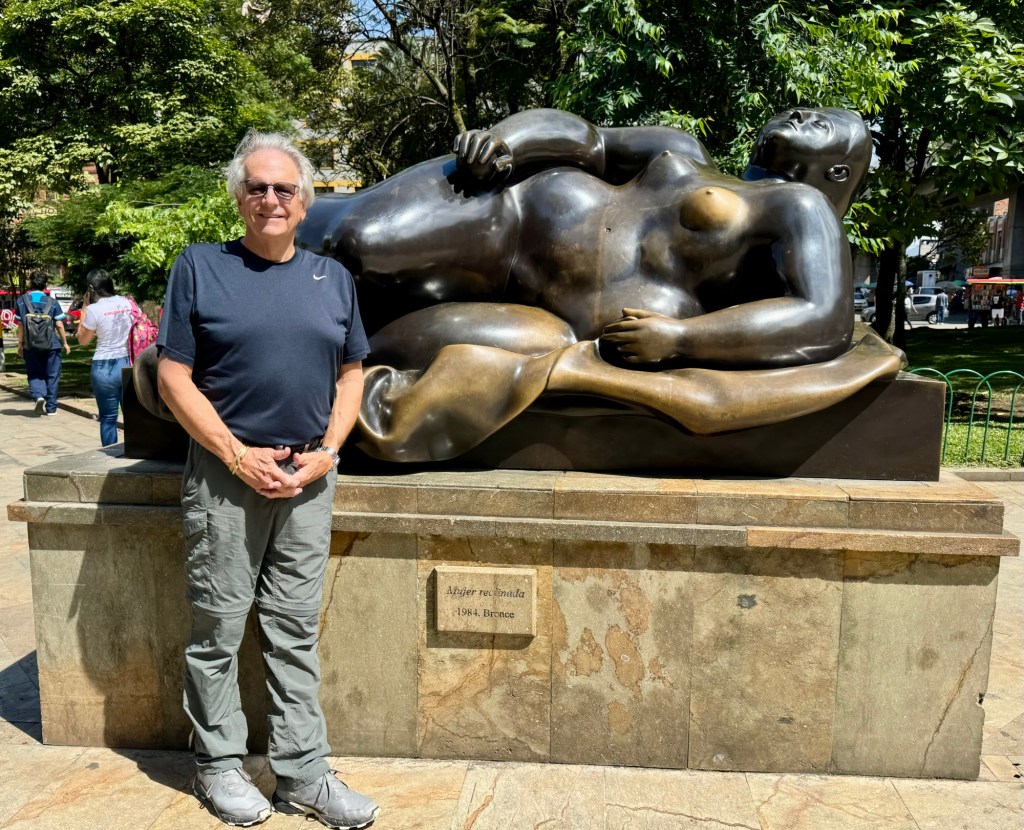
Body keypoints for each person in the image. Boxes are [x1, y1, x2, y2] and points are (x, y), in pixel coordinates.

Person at [296, 107, 902, 463]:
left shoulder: (799, 206)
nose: (801, 114)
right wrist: (509, 139)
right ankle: (257, 274)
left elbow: (821, 318)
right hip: (506, 214)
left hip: (552, 323)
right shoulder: (681, 148)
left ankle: (281, 384)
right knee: (352, 243)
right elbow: (589, 139)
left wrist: (684, 339)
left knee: (383, 343)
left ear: (839, 170)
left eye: (823, 122)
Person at [156, 131, 379, 830]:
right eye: (257, 187)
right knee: (219, 626)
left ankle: (303, 773)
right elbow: (173, 376)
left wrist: (329, 452)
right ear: (239, 198)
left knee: (293, 629)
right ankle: (219, 764)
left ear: (305, 201)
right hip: (227, 476)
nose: (271, 199)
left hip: (308, 476)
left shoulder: (332, 279)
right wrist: (234, 454)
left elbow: (352, 373)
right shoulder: (200, 267)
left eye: (285, 188)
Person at [75, 270, 133, 446]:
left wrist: (84, 309)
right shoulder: (128, 303)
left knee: (108, 418)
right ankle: (136, 453)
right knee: (133, 416)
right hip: (128, 363)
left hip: (104, 368)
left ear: (91, 289)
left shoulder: (94, 310)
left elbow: (83, 340)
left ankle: (110, 455)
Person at [15, 273, 71, 416]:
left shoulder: (21, 301)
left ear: (31, 283)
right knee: (53, 375)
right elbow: (59, 324)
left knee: (34, 373)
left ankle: (38, 395)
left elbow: (21, 326)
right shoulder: (52, 302)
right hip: (52, 345)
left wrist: (20, 344)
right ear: (45, 285)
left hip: (30, 345)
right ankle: (51, 408)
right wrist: (65, 343)